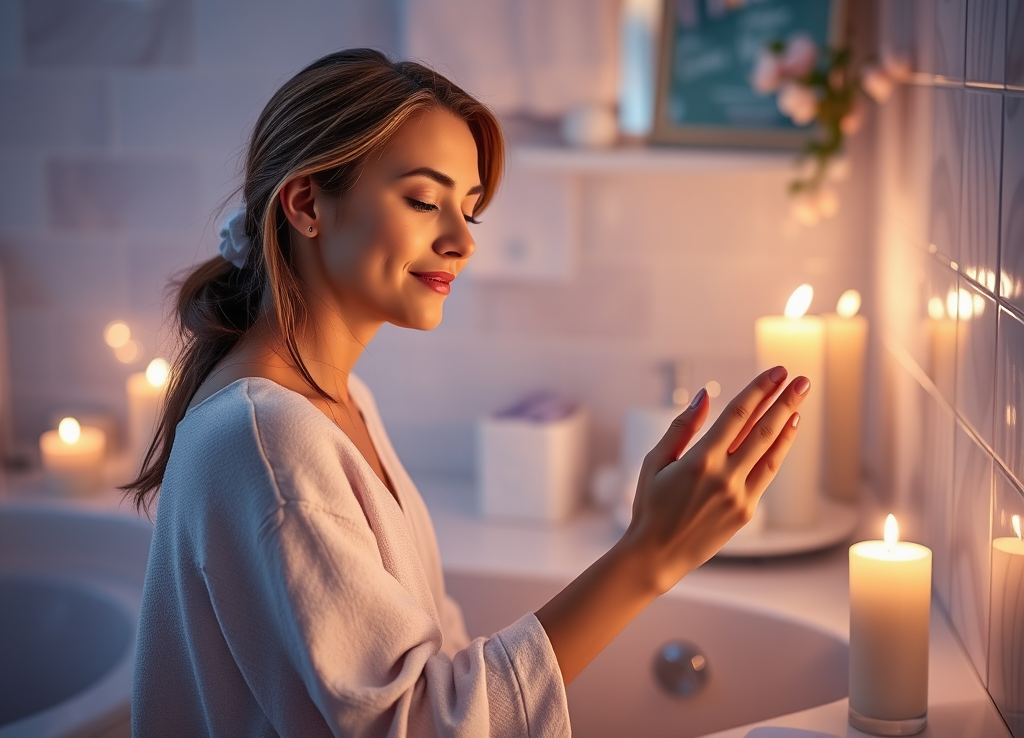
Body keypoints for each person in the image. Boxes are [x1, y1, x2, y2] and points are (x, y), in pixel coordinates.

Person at [126, 48, 811, 738]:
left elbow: (426, 665)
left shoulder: (338, 402)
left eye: (469, 210)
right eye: (424, 200)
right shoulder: (266, 438)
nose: (461, 241)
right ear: (307, 204)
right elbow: (413, 723)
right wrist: (648, 556)